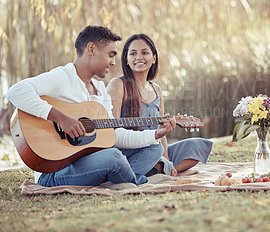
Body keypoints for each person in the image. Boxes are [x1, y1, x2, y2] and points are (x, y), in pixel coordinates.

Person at [6, 26, 176, 189]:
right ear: (91, 49)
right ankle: (135, 180)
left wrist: (155, 134)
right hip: (55, 171)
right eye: (110, 55)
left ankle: (118, 179)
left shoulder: (100, 90)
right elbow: (16, 91)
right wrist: (62, 119)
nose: (112, 62)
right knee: (113, 157)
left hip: (92, 161)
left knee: (155, 148)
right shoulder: (63, 77)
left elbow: (113, 135)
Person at [106, 33, 212, 177]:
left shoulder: (156, 89)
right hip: (129, 152)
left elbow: (161, 132)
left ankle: (163, 168)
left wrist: (166, 159)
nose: (139, 57)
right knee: (153, 152)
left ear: (154, 58)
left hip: (155, 150)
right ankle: (163, 170)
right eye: (133, 53)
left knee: (198, 145)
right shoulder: (118, 84)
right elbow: (111, 131)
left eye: (144, 52)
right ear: (126, 59)